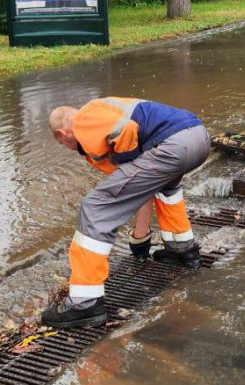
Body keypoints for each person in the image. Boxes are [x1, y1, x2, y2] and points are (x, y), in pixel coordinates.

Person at [43, 97, 210, 328]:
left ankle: (84, 304)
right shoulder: (105, 112)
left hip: (172, 145)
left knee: (95, 208)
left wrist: (128, 164)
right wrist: (140, 235)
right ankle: (182, 250)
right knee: (167, 190)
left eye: (63, 144)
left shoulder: (83, 120)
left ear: (62, 134)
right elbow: (140, 188)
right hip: (198, 137)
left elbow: (126, 129)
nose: (68, 147)